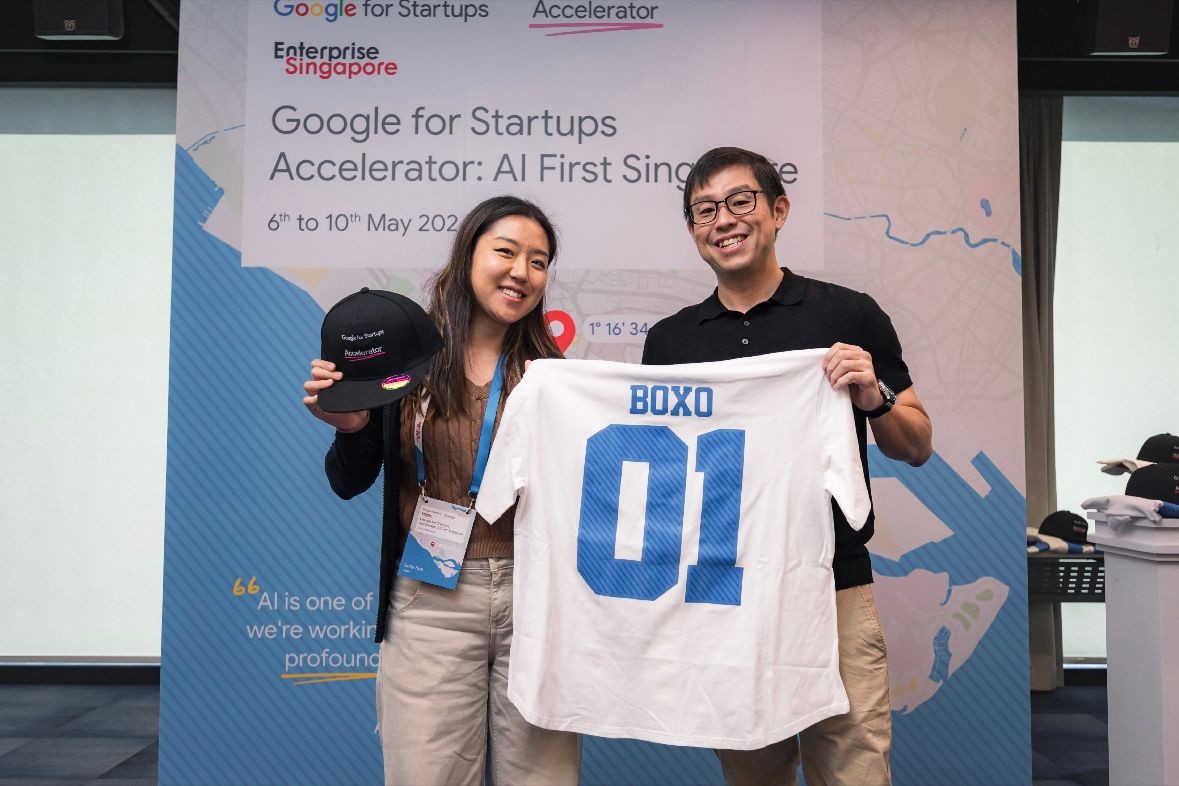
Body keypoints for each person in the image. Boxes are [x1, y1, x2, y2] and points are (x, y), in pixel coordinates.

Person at [641, 147, 933, 786]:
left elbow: (916, 444)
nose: (723, 219)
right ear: (693, 231)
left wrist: (874, 397)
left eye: (739, 201)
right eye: (704, 210)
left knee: (855, 772)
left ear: (778, 210)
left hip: (834, 585)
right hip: (729, 597)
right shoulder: (670, 341)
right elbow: (665, 481)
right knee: (752, 775)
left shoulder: (848, 314)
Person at [302, 196, 580, 786]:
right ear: (467, 256)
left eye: (538, 261)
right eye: (506, 252)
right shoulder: (403, 361)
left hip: (537, 599)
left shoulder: (555, 374)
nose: (522, 272)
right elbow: (348, 481)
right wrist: (351, 427)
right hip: (430, 601)